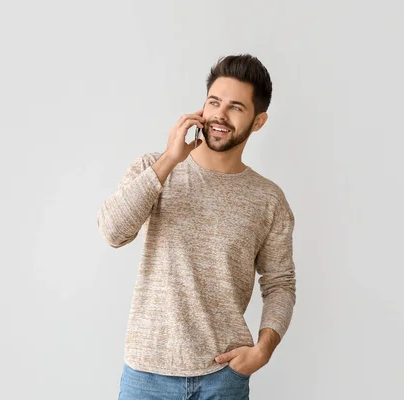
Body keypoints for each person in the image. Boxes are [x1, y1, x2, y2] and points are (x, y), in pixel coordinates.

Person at [97, 54, 297, 399]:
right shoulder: (154, 167)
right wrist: (170, 159)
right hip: (148, 376)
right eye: (214, 102)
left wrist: (263, 350)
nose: (219, 114)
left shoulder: (268, 199)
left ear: (258, 121)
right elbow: (114, 232)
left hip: (223, 378)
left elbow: (280, 283)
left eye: (236, 107)